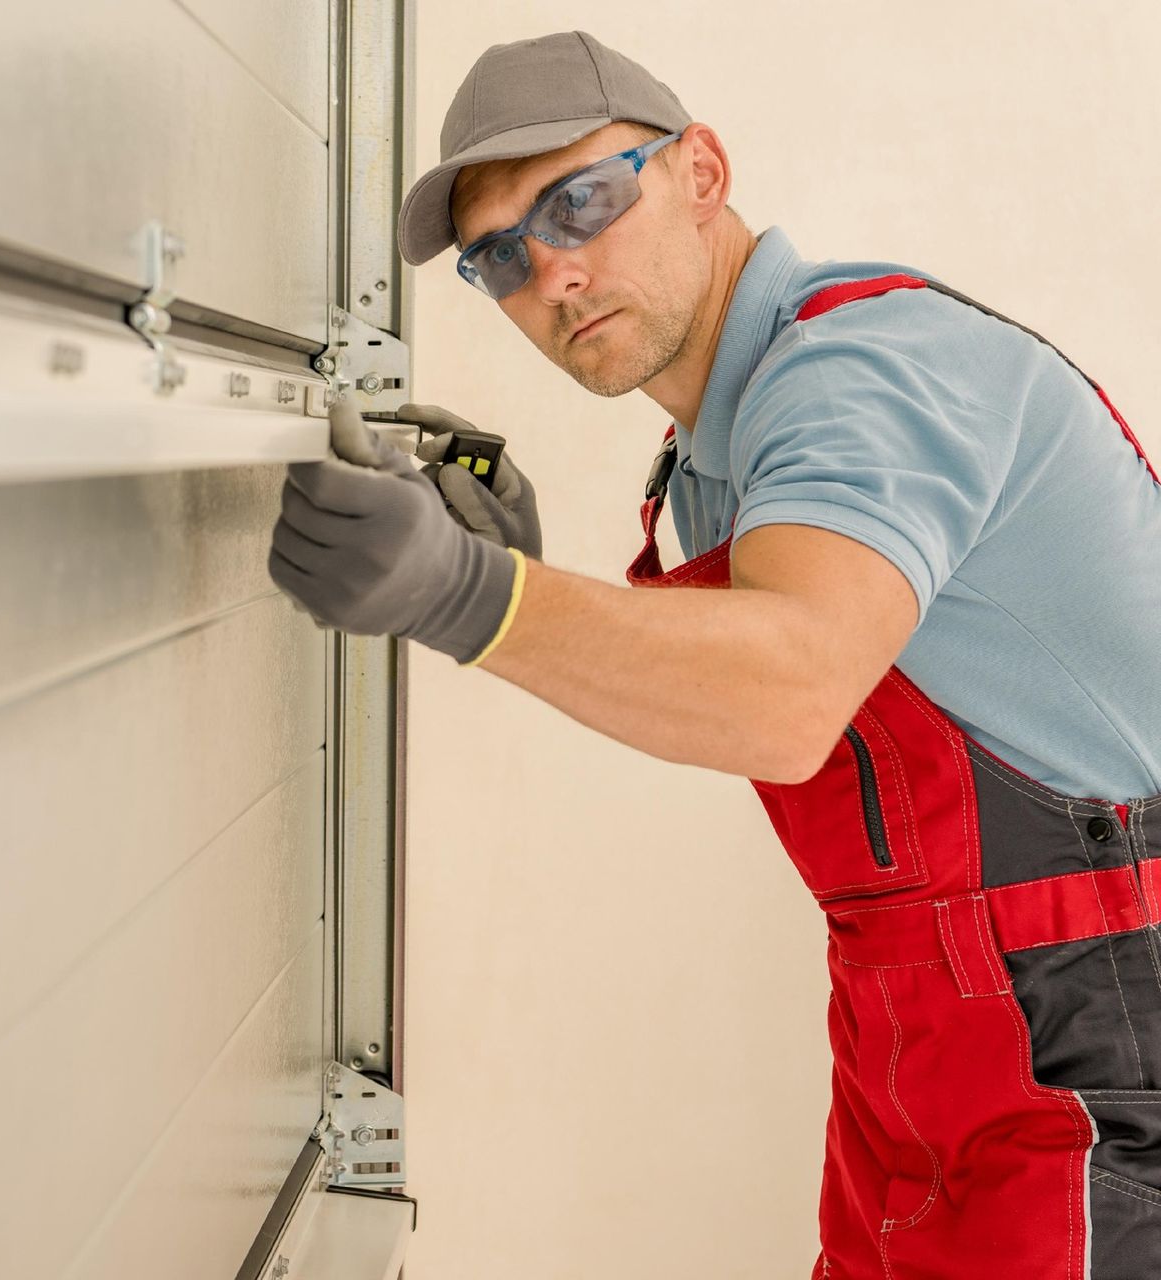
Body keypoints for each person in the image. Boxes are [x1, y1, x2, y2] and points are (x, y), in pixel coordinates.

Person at [267, 29, 1161, 1279]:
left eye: (580, 200)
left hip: (1099, 1035)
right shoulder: (712, 455)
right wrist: (535, 588)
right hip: (918, 1039)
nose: (555, 273)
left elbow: (789, 689)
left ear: (701, 170)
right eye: (502, 257)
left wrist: (473, 593)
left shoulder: (860, 368)